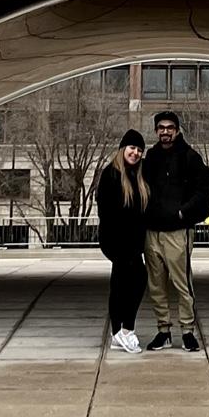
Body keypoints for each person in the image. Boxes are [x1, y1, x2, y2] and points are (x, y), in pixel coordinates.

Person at [141, 110, 209, 352]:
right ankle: (163, 331)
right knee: (156, 285)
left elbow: (204, 190)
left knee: (182, 284)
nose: (165, 132)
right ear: (156, 131)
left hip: (178, 232)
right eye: (161, 128)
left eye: (170, 127)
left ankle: (188, 331)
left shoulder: (190, 157)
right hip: (152, 231)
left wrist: (183, 213)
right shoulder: (150, 157)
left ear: (177, 130)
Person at [96, 129, 149, 353]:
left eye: (139, 150)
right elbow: (106, 212)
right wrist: (120, 241)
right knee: (131, 280)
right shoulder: (111, 174)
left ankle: (119, 333)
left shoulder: (138, 175)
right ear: (122, 149)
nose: (135, 153)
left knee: (126, 281)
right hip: (115, 239)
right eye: (132, 148)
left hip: (133, 241)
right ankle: (124, 330)